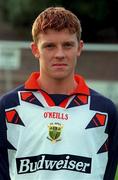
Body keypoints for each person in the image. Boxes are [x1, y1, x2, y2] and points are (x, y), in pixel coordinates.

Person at [0, 7, 118, 180]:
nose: (60, 54)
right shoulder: (9, 107)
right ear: (35, 50)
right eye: (49, 46)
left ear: (79, 47)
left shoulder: (105, 111)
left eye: (68, 45)